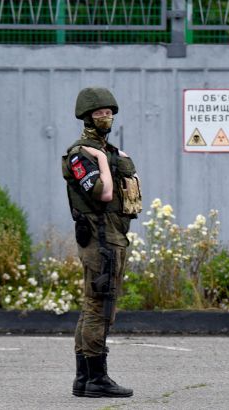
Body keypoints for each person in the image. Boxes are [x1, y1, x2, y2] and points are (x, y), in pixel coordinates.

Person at [61, 87, 142, 398]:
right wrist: (104, 162)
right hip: (100, 239)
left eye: (109, 113)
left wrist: (112, 158)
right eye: (99, 113)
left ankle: (84, 378)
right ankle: (97, 377)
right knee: (100, 307)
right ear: (86, 117)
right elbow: (104, 193)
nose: (105, 117)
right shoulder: (81, 154)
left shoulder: (107, 151)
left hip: (113, 236)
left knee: (94, 305)